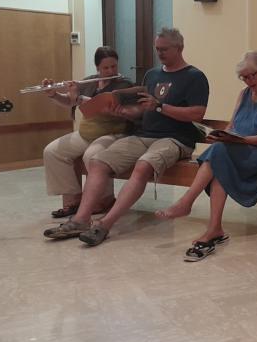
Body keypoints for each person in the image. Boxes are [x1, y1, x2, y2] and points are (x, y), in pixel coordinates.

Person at [43, 27, 210, 246]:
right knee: (98, 161)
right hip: (144, 135)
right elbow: (141, 109)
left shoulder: (194, 77)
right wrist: (121, 111)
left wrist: (161, 107)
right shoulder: (152, 74)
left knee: (142, 166)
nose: (159, 53)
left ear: (179, 47)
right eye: (157, 49)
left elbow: (197, 114)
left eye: (164, 49)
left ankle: (104, 225)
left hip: (175, 138)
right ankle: (81, 220)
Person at [154, 51, 257, 261]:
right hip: (239, 150)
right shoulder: (244, 94)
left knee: (219, 155)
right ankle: (214, 227)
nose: (248, 81)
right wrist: (222, 136)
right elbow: (232, 125)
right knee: (219, 157)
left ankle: (187, 203)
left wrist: (238, 141)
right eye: (244, 77)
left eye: (252, 75)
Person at [42, 46, 134, 218]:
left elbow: (103, 105)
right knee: (52, 151)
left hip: (113, 133)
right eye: (106, 67)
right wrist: (53, 94)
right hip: (88, 132)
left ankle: (104, 200)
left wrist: (79, 97)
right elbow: (70, 102)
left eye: (114, 66)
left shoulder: (124, 84)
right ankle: (73, 200)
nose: (111, 71)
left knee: (92, 156)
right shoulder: (89, 81)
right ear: (97, 67)